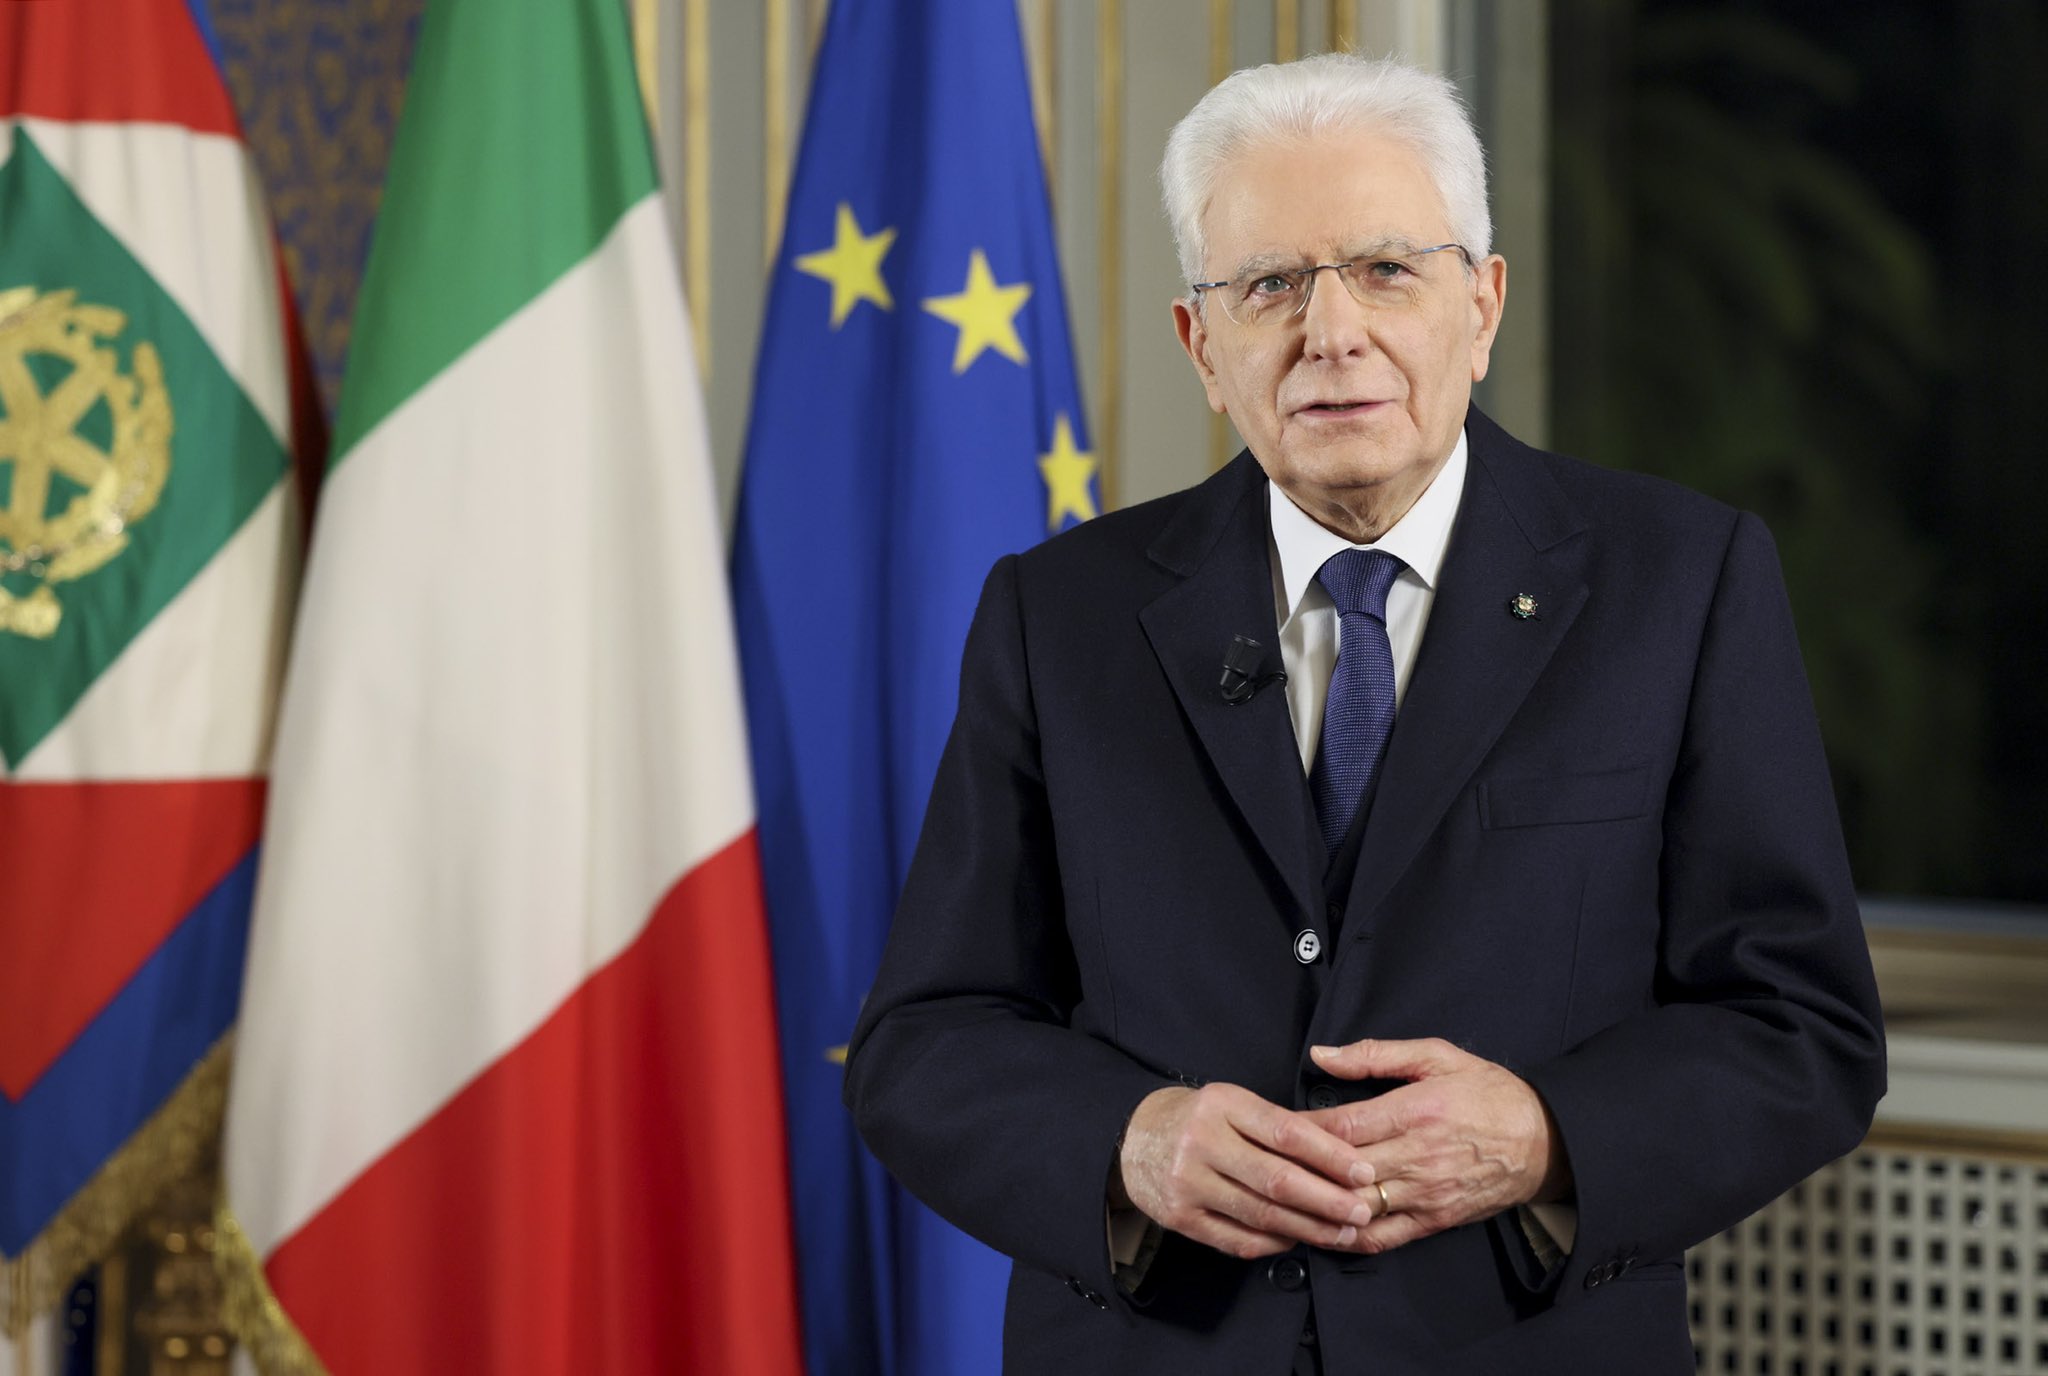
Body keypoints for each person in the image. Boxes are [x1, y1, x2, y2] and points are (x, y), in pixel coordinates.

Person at [843, 52, 1885, 1376]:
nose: (1332, 332)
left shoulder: (1681, 584)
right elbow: (924, 1041)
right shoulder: (1059, 615)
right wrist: (1128, 1143)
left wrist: (1546, 1137)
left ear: (1483, 305)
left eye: (1387, 269)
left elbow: (1805, 1028)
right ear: (1201, 346)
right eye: (1270, 284)